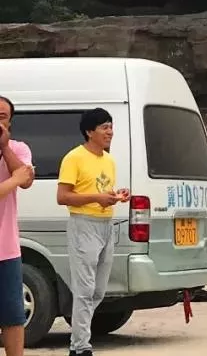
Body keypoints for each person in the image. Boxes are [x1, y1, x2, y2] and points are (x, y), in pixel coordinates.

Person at [56, 108, 130, 356]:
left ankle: (78, 339)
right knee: (85, 290)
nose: (110, 132)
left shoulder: (109, 160)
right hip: (83, 225)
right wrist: (96, 198)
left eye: (111, 126)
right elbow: (63, 196)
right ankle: (80, 346)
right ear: (89, 132)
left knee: (98, 291)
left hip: (106, 225)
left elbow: (101, 192)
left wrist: (116, 196)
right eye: (104, 127)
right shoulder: (74, 158)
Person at [0, 96, 34, 356]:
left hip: (7, 248)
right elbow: (18, 179)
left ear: (10, 121)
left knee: (13, 315)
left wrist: (4, 147)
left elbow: (26, 180)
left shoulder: (18, 148)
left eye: (2, 116)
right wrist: (15, 180)